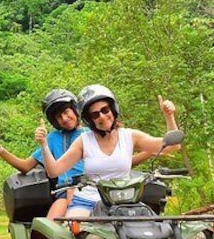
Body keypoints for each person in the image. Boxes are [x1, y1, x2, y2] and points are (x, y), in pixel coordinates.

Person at [35, 85, 180, 217]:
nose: (102, 117)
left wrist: (169, 116)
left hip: (125, 200)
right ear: (89, 119)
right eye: (95, 114)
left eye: (105, 110)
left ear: (113, 109)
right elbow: (54, 171)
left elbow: (171, 146)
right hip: (88, 200)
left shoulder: (129, 136)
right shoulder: (84, 141)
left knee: (149, 232)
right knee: (73, 230)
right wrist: (44, 144)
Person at [0, 89, 87, 219]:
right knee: (47, 229)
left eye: (66, 112)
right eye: (59, 117)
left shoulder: (91, 134)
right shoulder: (52, 138)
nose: (64, 118)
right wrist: (0, 149)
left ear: (75, 109)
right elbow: (26, 166)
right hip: (64, 191)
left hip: (92, 189)